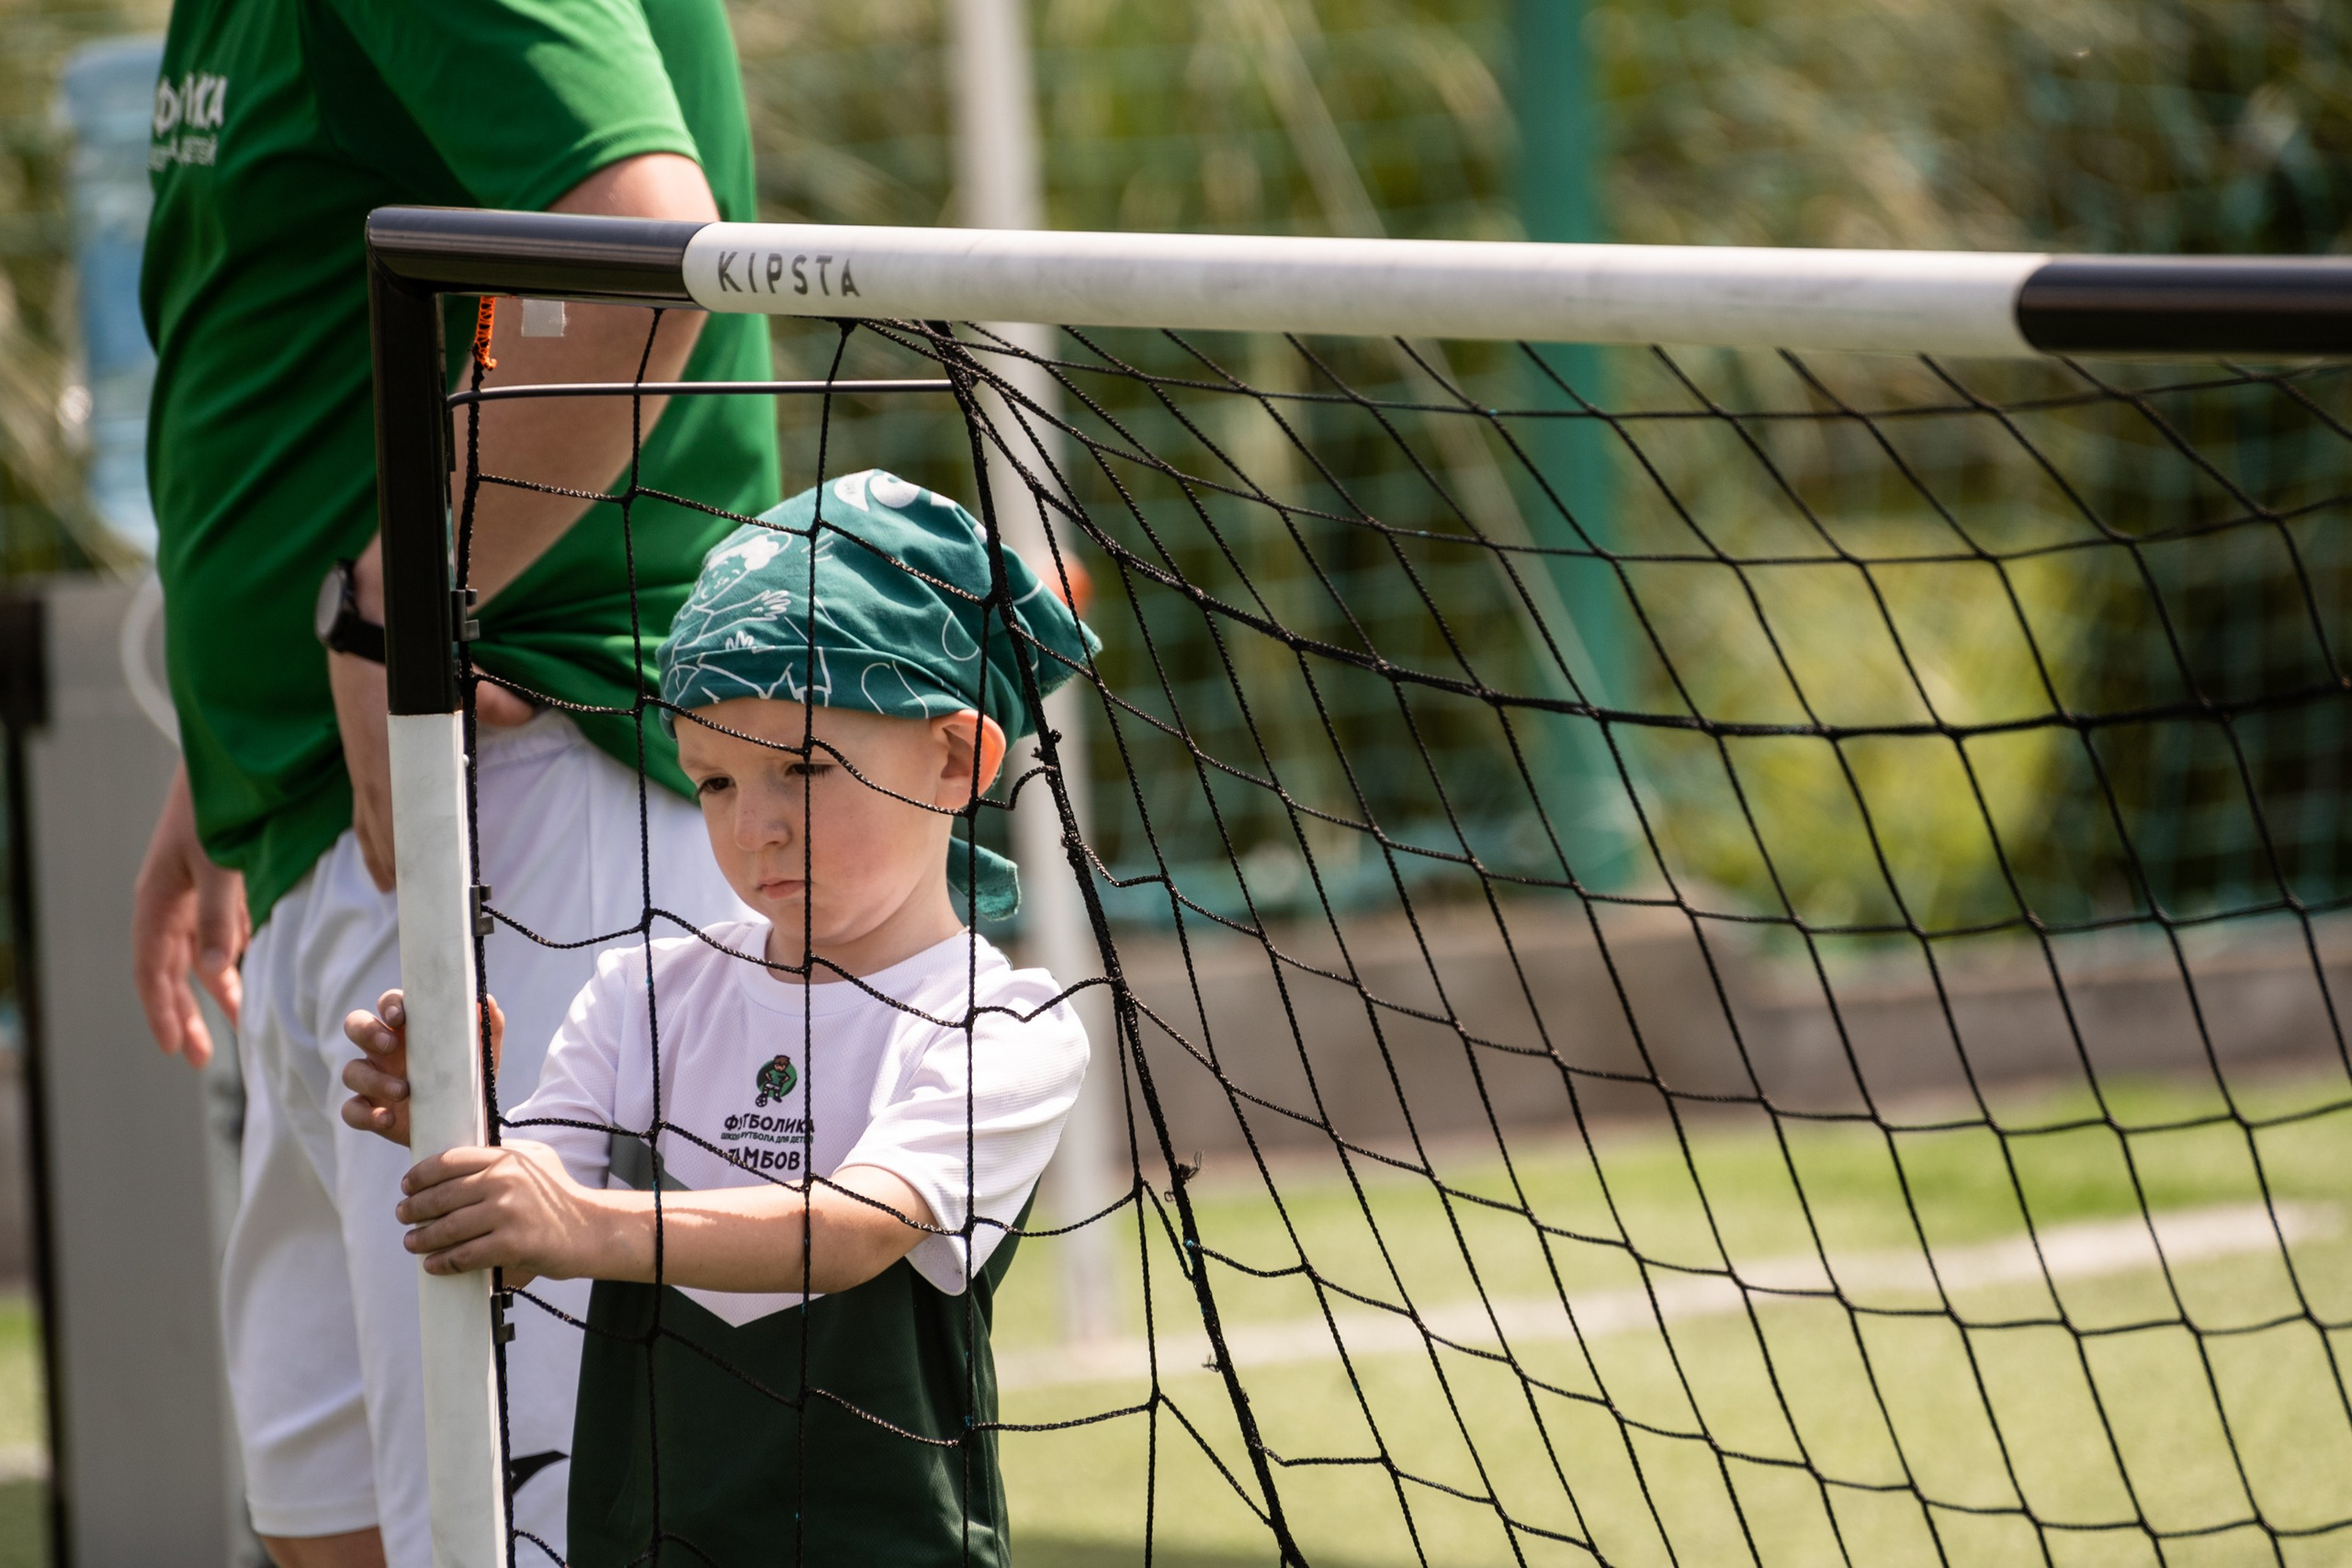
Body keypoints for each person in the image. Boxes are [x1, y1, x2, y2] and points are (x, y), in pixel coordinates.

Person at [128, 0, 778, 1561]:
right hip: (349, 820)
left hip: (511, 801)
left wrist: (387, 603)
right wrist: (221, 764)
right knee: (334, 1522)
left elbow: (630, 252)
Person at [337, 471, 1098, 1566]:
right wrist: (459, 1128)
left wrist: (577, 1224)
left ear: (956, 758)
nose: (756, 831)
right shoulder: (641, 995)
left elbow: (844, 1234)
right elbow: (518, 1248)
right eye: (714, 783)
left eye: (800, 768)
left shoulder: (1002, 1025)